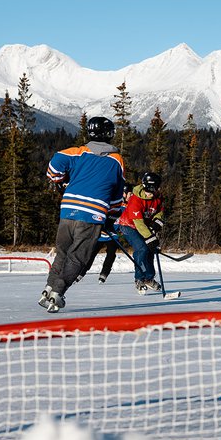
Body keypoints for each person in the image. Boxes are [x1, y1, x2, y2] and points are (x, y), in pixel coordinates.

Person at [39, 116, 125, 312]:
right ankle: (58, 292)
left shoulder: (78, 152)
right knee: (78, 257)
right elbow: (117, 194)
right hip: (93, 213)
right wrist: (111, 217)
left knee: (62, 253)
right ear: (108, 134)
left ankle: (48, 288)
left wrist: (60, 180)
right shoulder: (116, 160)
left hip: (68, 210)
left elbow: (56, 163)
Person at [117, 172, 166, 294]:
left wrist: (156, 222)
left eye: (152, 189)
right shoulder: (135, 199)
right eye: (147, 189)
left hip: (145, 226)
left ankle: (149, 278)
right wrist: (150, 237)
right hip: (128, 225)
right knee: (142, 249)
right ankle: (139, 279)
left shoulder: (158, 197)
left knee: (151, 250)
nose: (149, 192)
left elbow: (160, 211)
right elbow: (138, 223)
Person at [77, 182, 134, 284]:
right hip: (101, 233)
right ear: (124, 194)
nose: (131, 196)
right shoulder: (114, 204)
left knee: (111, 254)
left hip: (113, 235)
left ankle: (104, 274)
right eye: (130, 194)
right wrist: (103, 224)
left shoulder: (129, 207)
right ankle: (81, 272)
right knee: (91, 253)